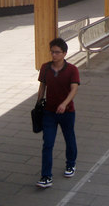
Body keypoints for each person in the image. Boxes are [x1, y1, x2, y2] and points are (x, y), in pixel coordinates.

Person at [36, 37, 80, 189]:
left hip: (67, 112)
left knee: (69, 139)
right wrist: (38, 102)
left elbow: (74, 88)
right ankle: (46, 176)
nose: (54, 55)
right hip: (49, 112)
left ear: (64, 53)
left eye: (57, 52)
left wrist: (64, 103)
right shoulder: (45, 68)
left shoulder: (72, 70)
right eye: (52, 52)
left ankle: (71, 164)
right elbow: (42, 86)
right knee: (47, 143)